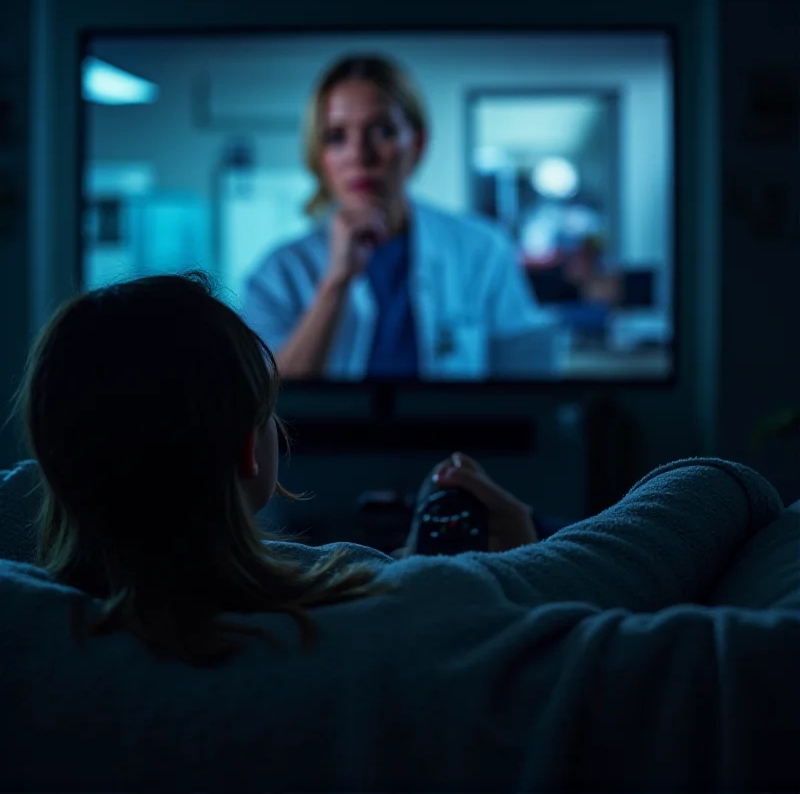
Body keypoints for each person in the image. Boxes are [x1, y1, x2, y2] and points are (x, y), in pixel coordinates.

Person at [3, 271, 799, 791]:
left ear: (54, 455)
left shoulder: (24, 639)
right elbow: (717, 488)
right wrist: (511, 551)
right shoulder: (422, 615)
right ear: (250, 447)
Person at [243, 54, 566, 381]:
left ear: (418, 143)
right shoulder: (279, 272)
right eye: (337, 136)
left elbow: (525, 386)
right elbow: (267, 401)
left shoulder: (484, 250)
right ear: (319, 155)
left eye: (382, 131)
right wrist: (336, 284)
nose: (359, 155)